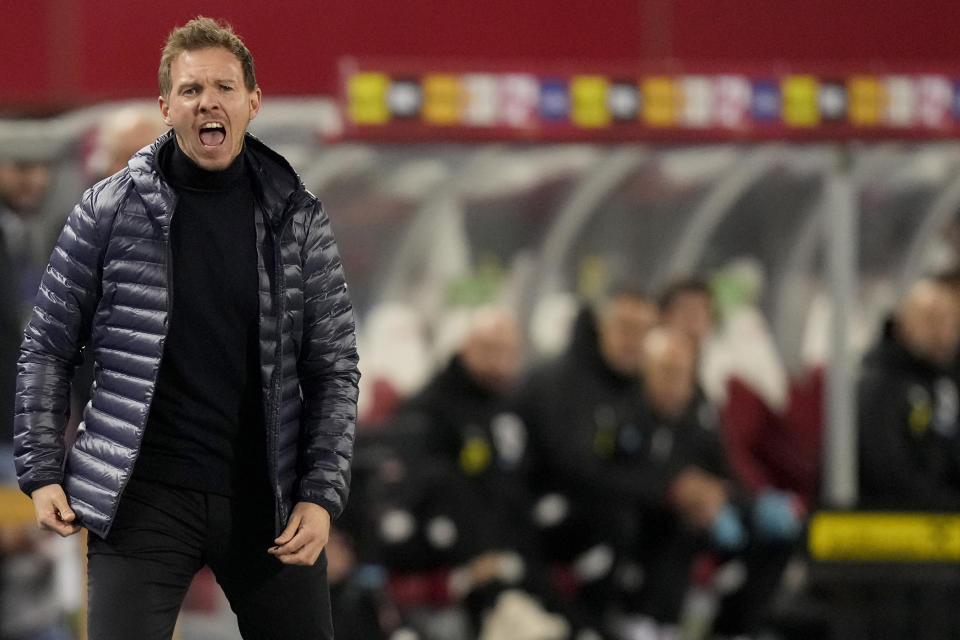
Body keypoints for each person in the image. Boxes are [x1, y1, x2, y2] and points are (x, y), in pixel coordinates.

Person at [13, 16, 359, 640]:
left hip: (268, 499)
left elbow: (333, 368)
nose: (209, 102)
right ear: (166, 106)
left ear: (253, 103)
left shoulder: (297, 217)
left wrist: (320, 494)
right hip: (143, 498)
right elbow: (47, 346)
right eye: (192, 89)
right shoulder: (106, 211)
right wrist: (40, 471)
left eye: (224, 88)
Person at [858, 276, 960, 509]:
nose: (943, 334)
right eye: (932, 321)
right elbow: (888, 470)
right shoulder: (880, 385)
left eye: (951, 323)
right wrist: (946, 504)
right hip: (887, 522)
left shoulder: (942, 384)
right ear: (903, 325)